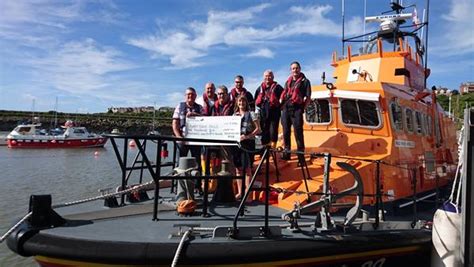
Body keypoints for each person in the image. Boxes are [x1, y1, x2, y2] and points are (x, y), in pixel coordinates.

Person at [280, 61, 311, 160]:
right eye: (293, 68)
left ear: (300, 69)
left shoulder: (305, 81)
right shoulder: (287, 82)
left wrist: (303, 108)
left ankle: (300, 156)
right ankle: (287, 153)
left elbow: (308, 97)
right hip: (286, 109)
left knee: (298, 133)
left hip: (297, 109)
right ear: (291, 70)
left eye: (297, 68)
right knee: (285, 132)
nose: (295, 70)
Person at [233, 95, 261, 200]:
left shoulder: (252, 114)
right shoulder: (234, 116)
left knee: (248, 169)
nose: (241, 103)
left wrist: (247, 136)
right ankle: (240, 192)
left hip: (248, 144)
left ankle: (247, 193)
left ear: (246, 103)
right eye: (240, 101)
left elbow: (258, 129)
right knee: (238, 169)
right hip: (237, 145)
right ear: (237, 103)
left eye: (243, 101)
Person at [172, 87, 203, 176]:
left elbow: (204, 119)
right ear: (185, 96)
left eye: (192, 94)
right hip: (182, 140)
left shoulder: (199, 107)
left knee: (197, 163)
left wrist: (195, 114)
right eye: (188, 94)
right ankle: (179, 185)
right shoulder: (179, 106)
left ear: (196, 96)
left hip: (195, 140)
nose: (190, 96)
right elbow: (175, 124)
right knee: (180, 163)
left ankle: (197, 186)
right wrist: (178, 136)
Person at [254, 69, 284, 147]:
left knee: (273, 132)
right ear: (263, 77)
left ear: (273, 77)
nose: (268, 77)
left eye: (269, 76)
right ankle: (264, 150)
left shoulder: (278, 88)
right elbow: (256, 101)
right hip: (262, 114)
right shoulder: (259, 89)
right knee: (263, 132)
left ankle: (272, 149)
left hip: (274, 114)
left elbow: (284, 99)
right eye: (266, 76)